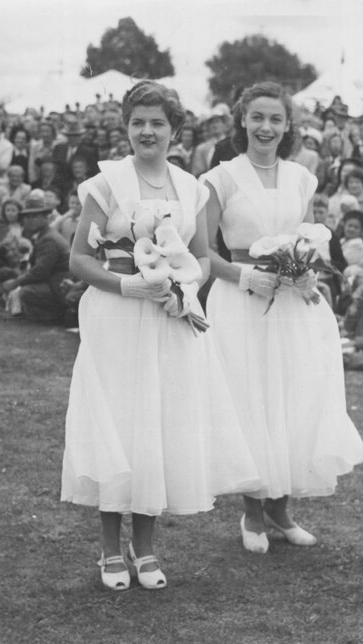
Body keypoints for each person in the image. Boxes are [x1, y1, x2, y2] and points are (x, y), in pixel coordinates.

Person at [62, 81, 260, 591]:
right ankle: (109, 548)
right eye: (137, 123)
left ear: (175, 130)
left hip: (170, 316)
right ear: (125, 128)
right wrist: (128, 283)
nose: (146, 132)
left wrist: (183, 282)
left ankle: (145, 548)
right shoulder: (105, 184)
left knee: (158, 425)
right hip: (117, 317)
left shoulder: (191, 188)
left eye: (157, 123)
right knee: (118, 425)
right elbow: (80, 259)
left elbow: (199, 254)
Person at [203, 81, 363, 555]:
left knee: (294, 399)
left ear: (289, 125)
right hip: (243, 299)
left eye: (276, 119)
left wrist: (310, 274)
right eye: (257, 117)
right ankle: (252, 511)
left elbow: (311, 237)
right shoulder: (221, 178)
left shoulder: (301, 177)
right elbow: (201, 252)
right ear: (242, 121)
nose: (266, 127)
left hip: (294, 301)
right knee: (251, 397)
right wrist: (242, 277)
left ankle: (281, 509)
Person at [0, 196, 71, 324]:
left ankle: (56, 315)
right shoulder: (43, 235)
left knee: (26, 292)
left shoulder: (49, 239)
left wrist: (16, 282)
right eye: (27, 217)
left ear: (45, 218)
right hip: (52, 282)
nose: (29, 220)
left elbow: (41, 271)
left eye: (34, 216)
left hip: (58, 286)